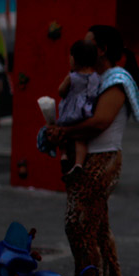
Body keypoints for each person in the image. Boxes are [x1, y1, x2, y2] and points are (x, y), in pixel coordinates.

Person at [43, 25, 139, 276]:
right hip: (92, 157)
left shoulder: (115, 79)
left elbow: (100, 122)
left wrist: (64, 132)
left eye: (87, 43)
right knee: (97, 225)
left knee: (78, 222)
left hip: (103, 158)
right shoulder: (91, 78)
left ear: (101, 50)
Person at [55, 39, 101, 176]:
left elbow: (61, 91)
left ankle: (63, 155)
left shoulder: (72, 77)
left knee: (62, 131)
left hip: (71, 111)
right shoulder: (96, 77)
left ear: (75, 59)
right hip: (87, 111)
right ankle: (78, 164)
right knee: (81, 139)